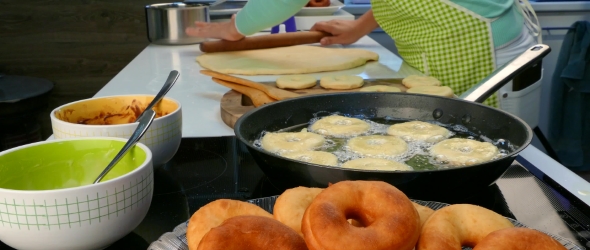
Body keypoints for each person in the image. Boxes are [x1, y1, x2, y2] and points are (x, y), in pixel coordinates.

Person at [187, 0, 543, 126]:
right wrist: (357, 28)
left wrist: (232, 29)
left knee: (488, 143)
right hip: (435, 58)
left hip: (489, 54)